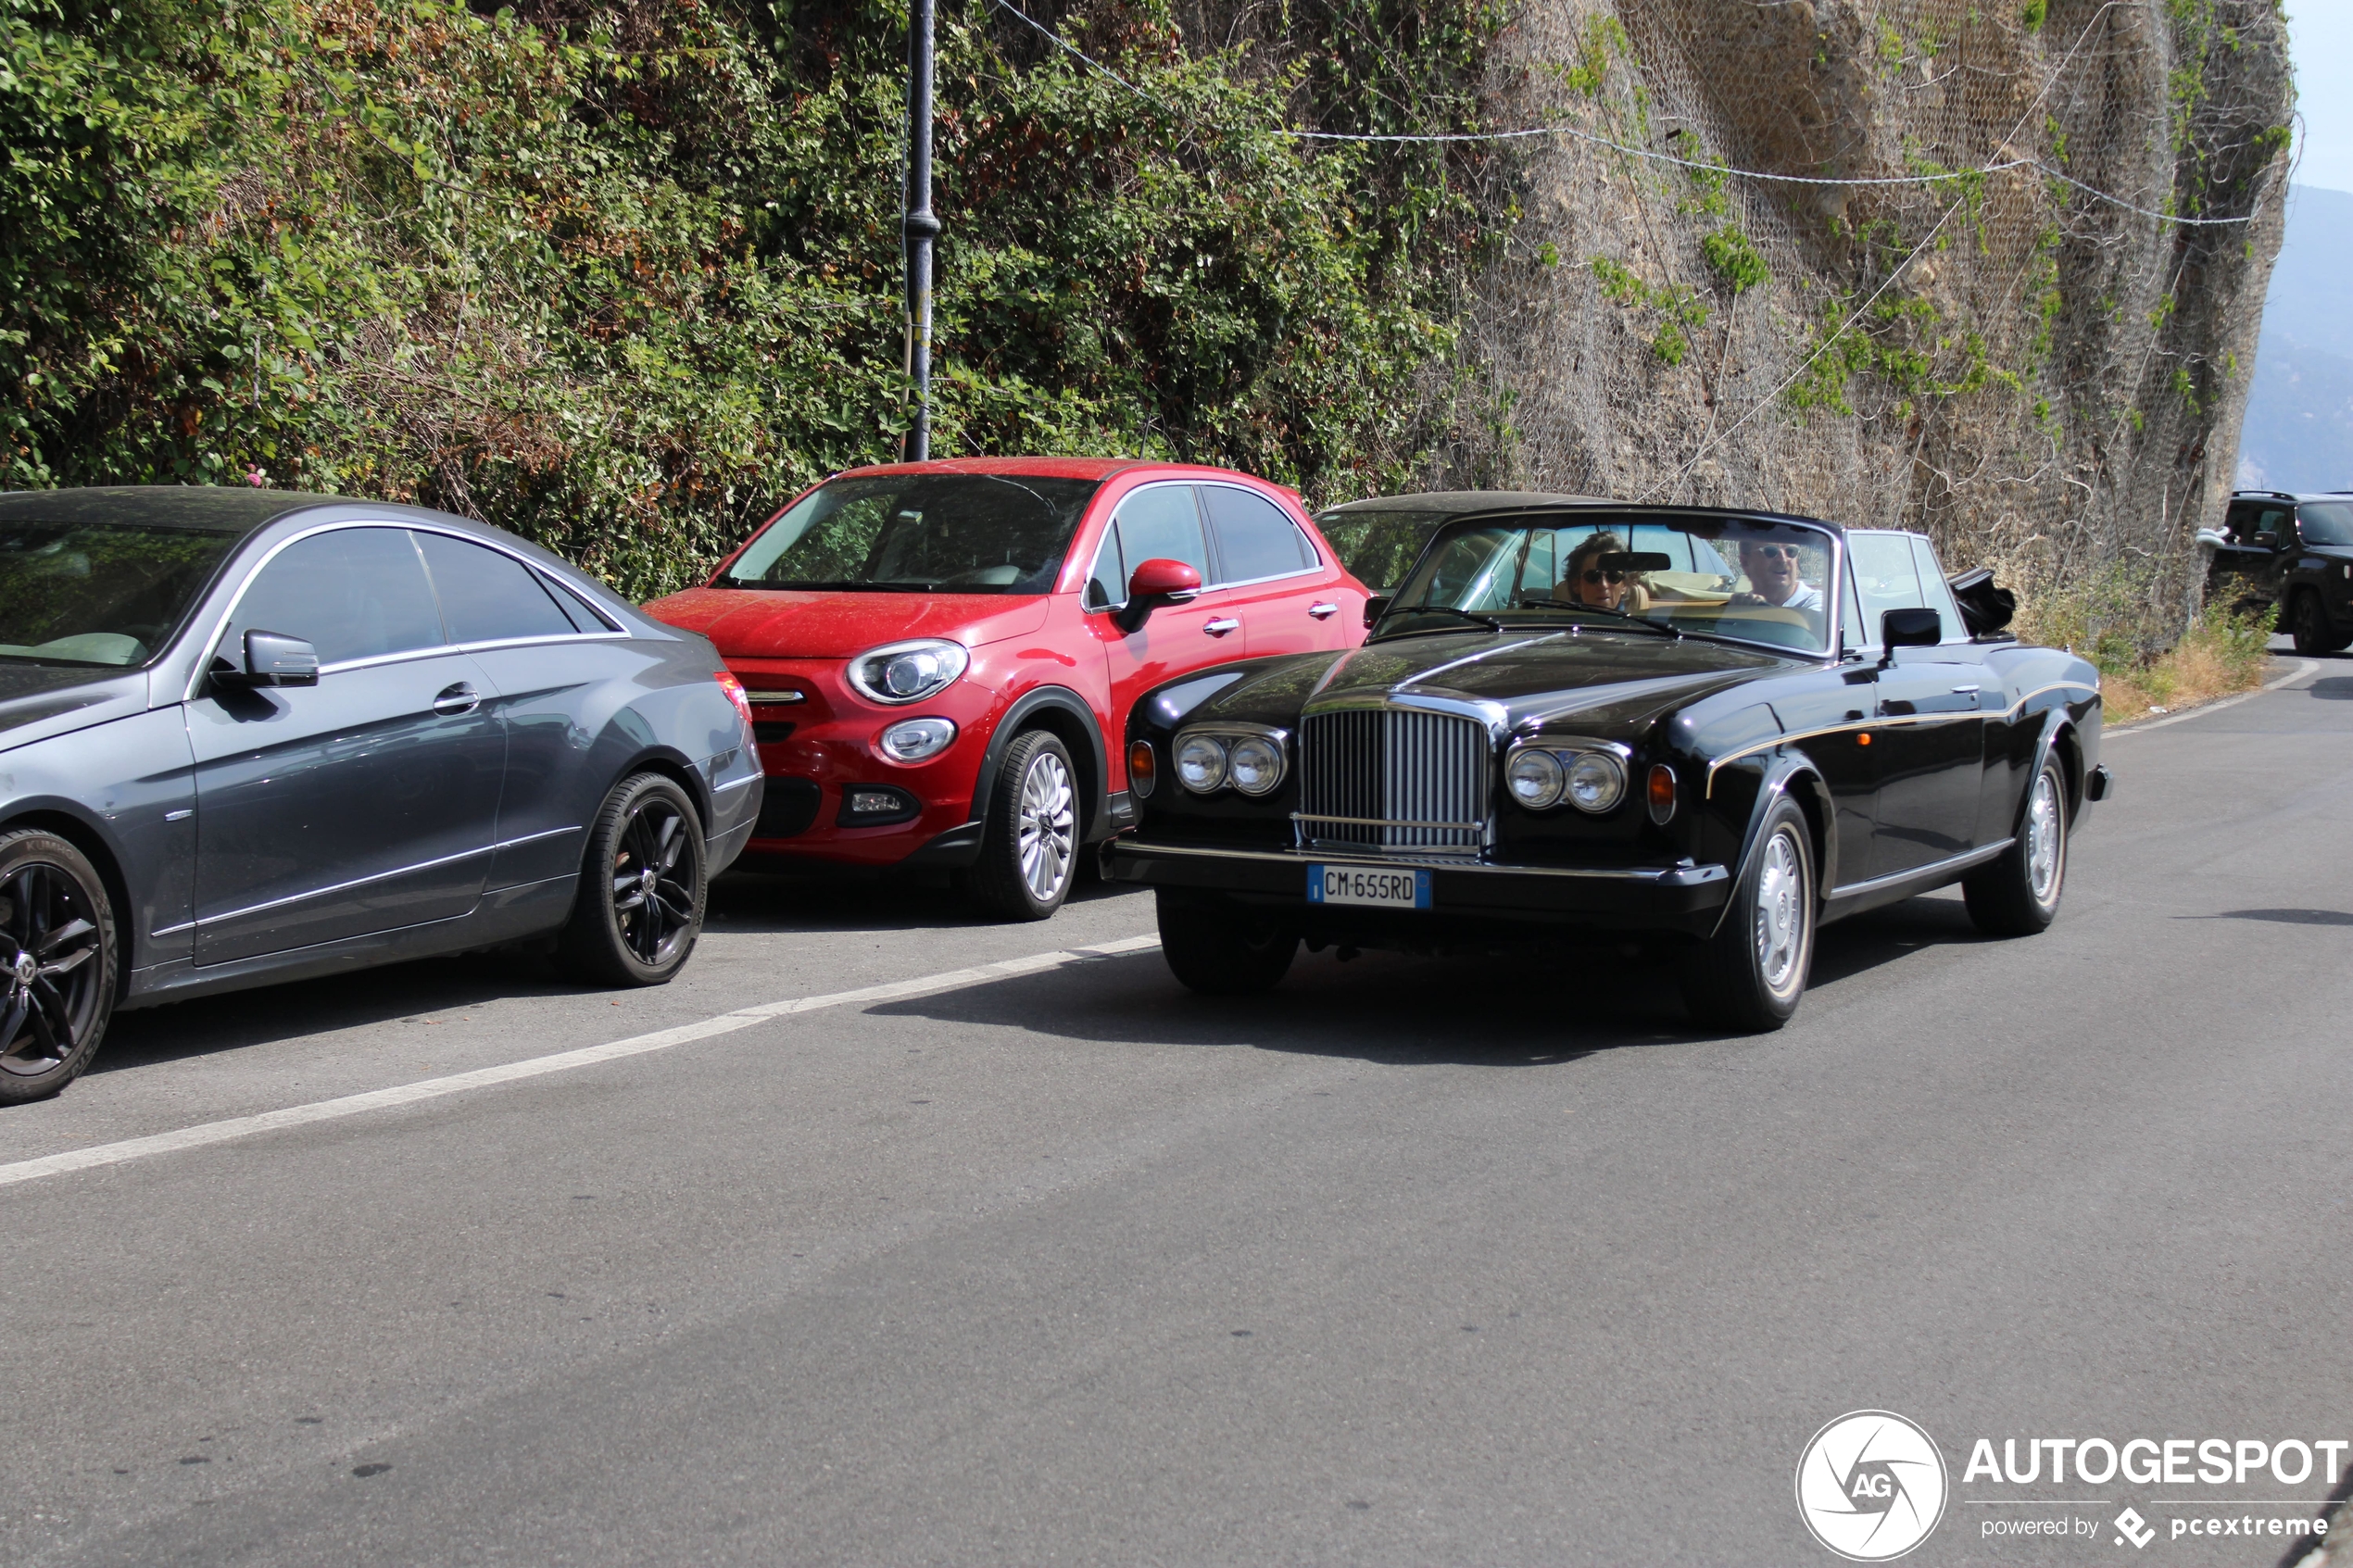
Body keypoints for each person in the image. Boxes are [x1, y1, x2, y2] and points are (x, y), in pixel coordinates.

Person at [1559, 533, 1649, 613]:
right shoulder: (1558, 627)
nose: (1604, 585)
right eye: (1593, 577)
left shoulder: (1635, 629)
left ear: (1624, 586)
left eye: (1613, 576)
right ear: (1576, 585)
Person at [1733, 538, 1824, 612]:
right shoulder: (1738, 608)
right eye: (1770, 551)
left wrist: (1760, 612)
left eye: (1790, 551)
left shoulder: (1820, 604)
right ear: (1745, 563)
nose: (1783, 559)